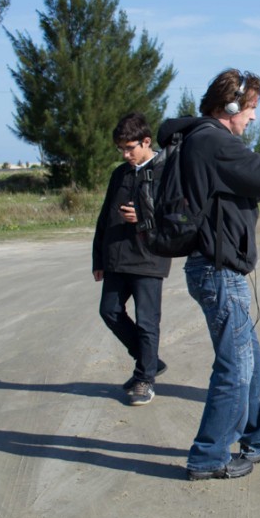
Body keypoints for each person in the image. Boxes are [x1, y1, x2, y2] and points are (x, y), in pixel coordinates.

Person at [158, 68, 260, 481]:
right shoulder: (213, 141)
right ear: (230, 106)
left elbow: (255, 184)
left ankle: (259, 437)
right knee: (235, 366)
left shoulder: (206, 140)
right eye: (250, 109)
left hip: (217, 268)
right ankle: (208, 456)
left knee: (250, 359)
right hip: (218, 271)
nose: (253, 117)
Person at [92, 112, 171, 407]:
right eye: (121, 149)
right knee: (109, 311)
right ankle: (150, 362)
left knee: (147, 321)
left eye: (130, 148)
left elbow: (178, 216)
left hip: (149, 257)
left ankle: (145, 379)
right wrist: (98, 258)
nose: (125, 155)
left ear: (146, 141)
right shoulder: (120, 174)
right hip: (116, 257)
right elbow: (104, 217)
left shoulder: (167, 171)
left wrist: (143, 218)